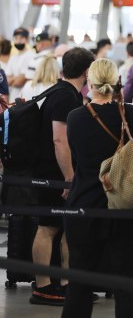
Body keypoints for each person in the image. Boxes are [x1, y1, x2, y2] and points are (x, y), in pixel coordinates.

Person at [62, 58, 133, 318]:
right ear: (116, 82)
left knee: (79, 284)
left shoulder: (75, 118)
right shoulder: (130, 114)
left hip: (85, 205)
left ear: (89, 81)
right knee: (126, 286)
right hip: (126, 207)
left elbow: (77, 157)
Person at [30, 47, 94, 306]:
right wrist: (69, 178)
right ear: (87, 71)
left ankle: (66, 283)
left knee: (67, 227)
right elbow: (60, 140)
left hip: (55, 173)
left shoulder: (62, 93)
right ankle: (43, 286)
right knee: (47, 228)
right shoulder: (65, 98)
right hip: (53, 175)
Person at [6, 27, 35, 102]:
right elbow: (6, 80)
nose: (18, 41)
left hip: (25, 98)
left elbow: (19, 82)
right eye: (16, 38)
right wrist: (16, 78)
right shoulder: (13, 57)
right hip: (12, 98)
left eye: (21, 38)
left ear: (27, 39)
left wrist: (13, 78)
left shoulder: (31, 56)